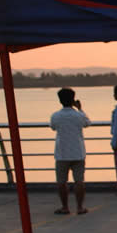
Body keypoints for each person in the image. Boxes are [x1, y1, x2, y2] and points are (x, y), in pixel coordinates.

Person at [49, 87, 90, 215]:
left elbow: (53, 127)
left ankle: (65, 207)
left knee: (62, 182)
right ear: (73, 99)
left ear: (60, 100)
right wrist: (80, 108)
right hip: (78, 152)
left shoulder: (56, 116)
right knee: (79, 181)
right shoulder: (79, 115)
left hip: (62, 153)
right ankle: (79, 207)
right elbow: (87, 123)